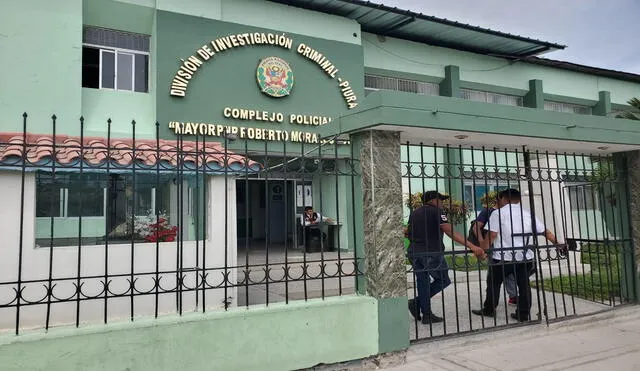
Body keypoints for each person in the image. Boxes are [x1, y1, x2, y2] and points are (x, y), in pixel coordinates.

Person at [472, 189, 564, 322]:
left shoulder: (498, 213)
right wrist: (557, 243)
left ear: (503, 199)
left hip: (502, 257)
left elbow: (492, 235)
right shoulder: (527, 214)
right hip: (525, 256)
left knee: (494, 283)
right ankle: (523, 313)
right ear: (518, 200)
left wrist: (484, 251)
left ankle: (489, 309)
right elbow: (545, 231)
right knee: (524, 285)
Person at [406, 191, 484, 324]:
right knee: (443, 280)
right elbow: (450, 231)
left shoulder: (415, 213)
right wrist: (472, 246)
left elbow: (408, 232)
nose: (442, 202)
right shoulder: (436, 212)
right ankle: (417, 303)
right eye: (440, 199)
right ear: (432, 200)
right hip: (431, 253)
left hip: (414, 252)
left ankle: (426, 313)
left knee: (422, 281)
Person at [470, 195, 518, 306]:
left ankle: (513, 296)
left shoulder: (507, 213)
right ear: (500, 200)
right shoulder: (488, 211)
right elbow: (476, 227)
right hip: (493, 247)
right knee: (494, 274)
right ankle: (493, 300)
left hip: (507, 247)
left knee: (509, 272)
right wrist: (482, 243)